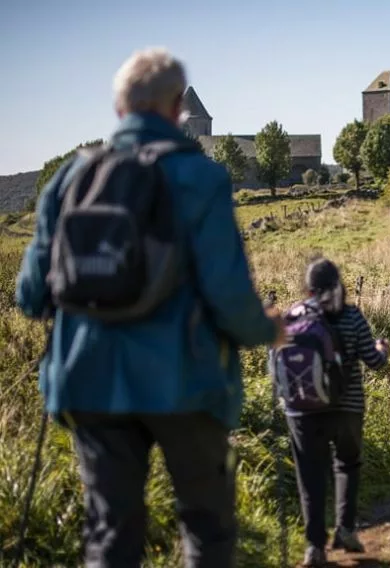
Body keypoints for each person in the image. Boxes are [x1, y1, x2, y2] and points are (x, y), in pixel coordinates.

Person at [15, 48, 285, 568]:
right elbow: (228, 296)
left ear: (119, 108)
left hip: (89, 381)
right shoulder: (200, 178)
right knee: (206, 526)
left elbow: (30, 295)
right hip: (186, 379)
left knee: (110, 533)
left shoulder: (69, 180)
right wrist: (265, 329)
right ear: (178, 105)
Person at [283, 258, 390, 567]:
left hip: (301, 411)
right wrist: (383, 350)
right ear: (338, 283)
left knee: (310, 475)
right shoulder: (352, 316)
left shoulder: (294, 316)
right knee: (347, 464)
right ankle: (345, 529)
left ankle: (314, 547)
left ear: (308, 287)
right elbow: (374, 361)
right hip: (347, 407)